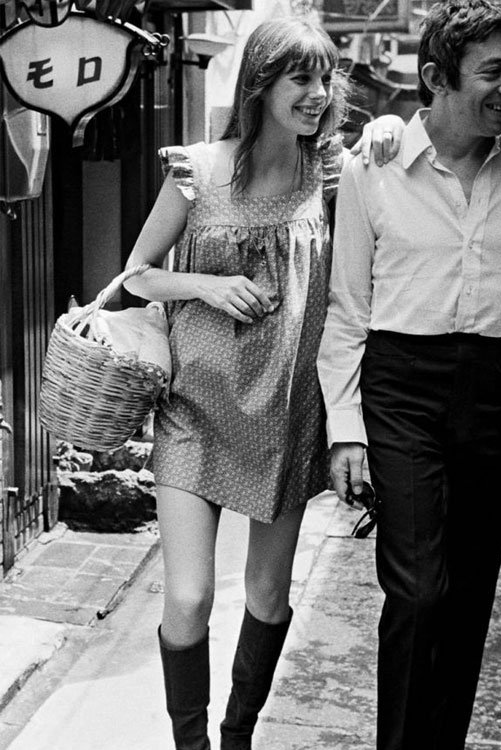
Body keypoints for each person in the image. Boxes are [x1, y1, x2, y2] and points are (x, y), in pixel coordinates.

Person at [124, 18, 402, 750]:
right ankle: (192, 744)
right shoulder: (200, 171)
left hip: (287, 412)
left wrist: (393, 130)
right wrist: (207, 288)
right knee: (186, 596)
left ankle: (237, 734)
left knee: (269, 596)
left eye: (324, 79)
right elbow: (135, 276)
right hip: (193, 408)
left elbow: (393, 182)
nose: (317, 95)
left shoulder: (333, 175)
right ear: (260, 84)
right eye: (298, 79)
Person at [317, 2, 501, 748]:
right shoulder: (374, 168)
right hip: (401, 386)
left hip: (490, 392)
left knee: (468, 601)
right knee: (421, 592)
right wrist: (345, 430)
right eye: (493, 70)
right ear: (436, 78)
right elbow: (347, 309)